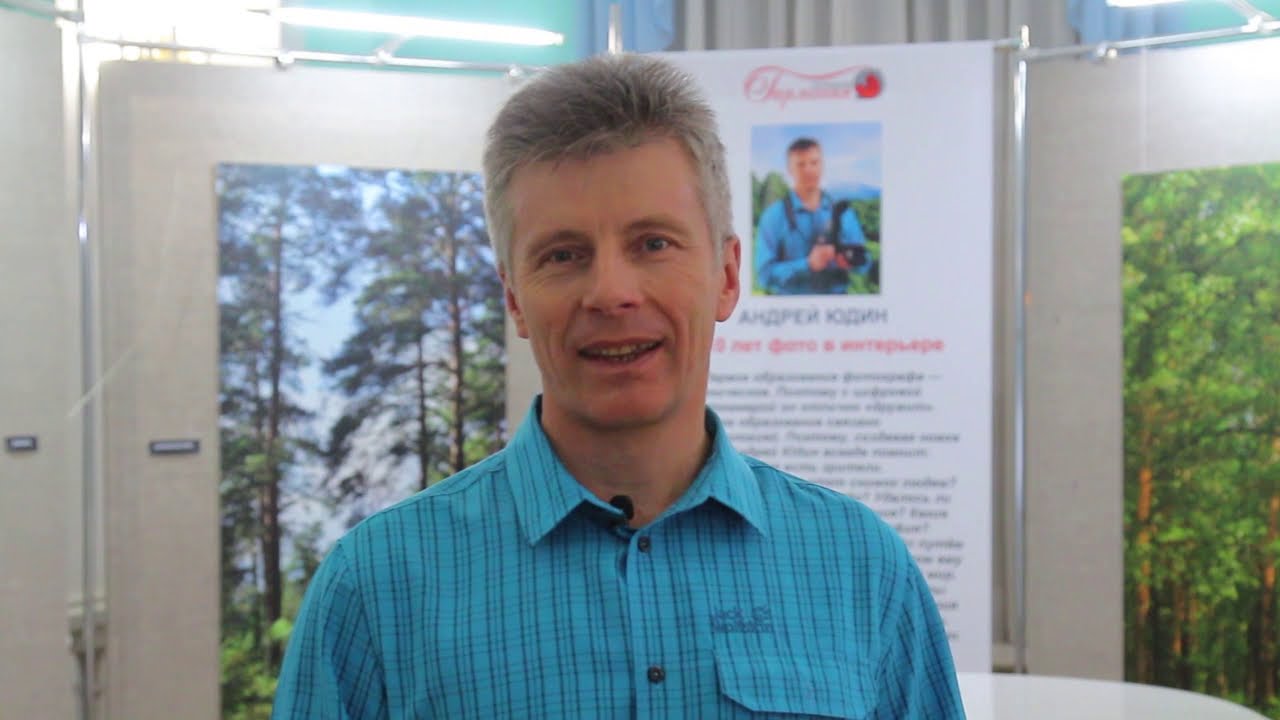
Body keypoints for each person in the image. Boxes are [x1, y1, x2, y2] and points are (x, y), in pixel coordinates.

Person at [273, 53, 962, 719]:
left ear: (726, 277)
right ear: (514, 300)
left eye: (653, 243)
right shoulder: (378, 591)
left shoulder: (859, 569)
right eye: (563, 254)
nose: (610, 292)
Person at [754, 137, 874, 295]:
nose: (808, 170)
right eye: (801, 164)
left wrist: (850, 260)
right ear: (790, 169)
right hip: (791, 307)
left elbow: (866, 263)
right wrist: (807, 264)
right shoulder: (773, 216)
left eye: (814, 162)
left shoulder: (844, 212)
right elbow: (763, 276)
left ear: (822, 165)